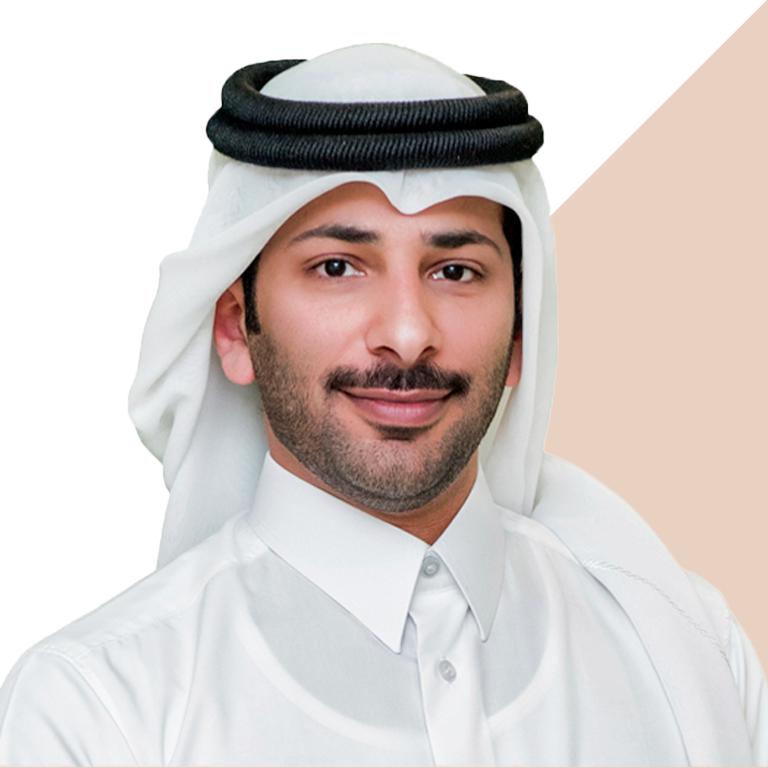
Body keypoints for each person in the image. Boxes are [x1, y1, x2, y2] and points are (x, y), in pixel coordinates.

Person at [0, 43, 765, 766]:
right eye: (338, 267)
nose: (406, 334)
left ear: (520, 334)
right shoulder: (97, 710)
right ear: (235, 328)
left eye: (455, 271)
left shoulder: (689, 653)